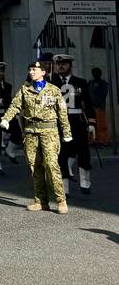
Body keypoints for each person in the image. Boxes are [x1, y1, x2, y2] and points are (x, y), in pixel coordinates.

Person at [0, 59, 71, 213]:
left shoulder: (53, 90)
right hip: (31, 133)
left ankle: (61, 200)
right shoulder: (25, 90)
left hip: (49, 132)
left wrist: (66, 132)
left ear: (43, 73)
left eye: (34, 69)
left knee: (52, 165)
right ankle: (41, 201)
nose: (31, 72)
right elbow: (15, 105)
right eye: (30, 69)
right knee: (35, 167)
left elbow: (62, 112)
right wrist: (6, 118)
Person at [50, 54, 97, 195]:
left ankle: (85, 182)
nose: (61, 66)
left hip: (77, 121)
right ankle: (64, 187)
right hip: (59, 122)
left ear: (70, 65)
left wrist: (91, 123)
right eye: (58, 64)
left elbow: (88, 104)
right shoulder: (51, 83)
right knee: (61, 155)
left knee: (83, 151)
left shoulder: (80, 82)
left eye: (64, 63)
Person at [88, 67, 110, 146]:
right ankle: (94, 140)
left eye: (97, 72)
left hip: (99, 108)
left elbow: (103, 95)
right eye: (93, 73)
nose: (95, 74)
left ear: (100, 74)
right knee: (92, 125)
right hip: (91, 109)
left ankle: (103, 141)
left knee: (101, 125)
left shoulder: (103, 83)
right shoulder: (90, 83)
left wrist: (97, 103)